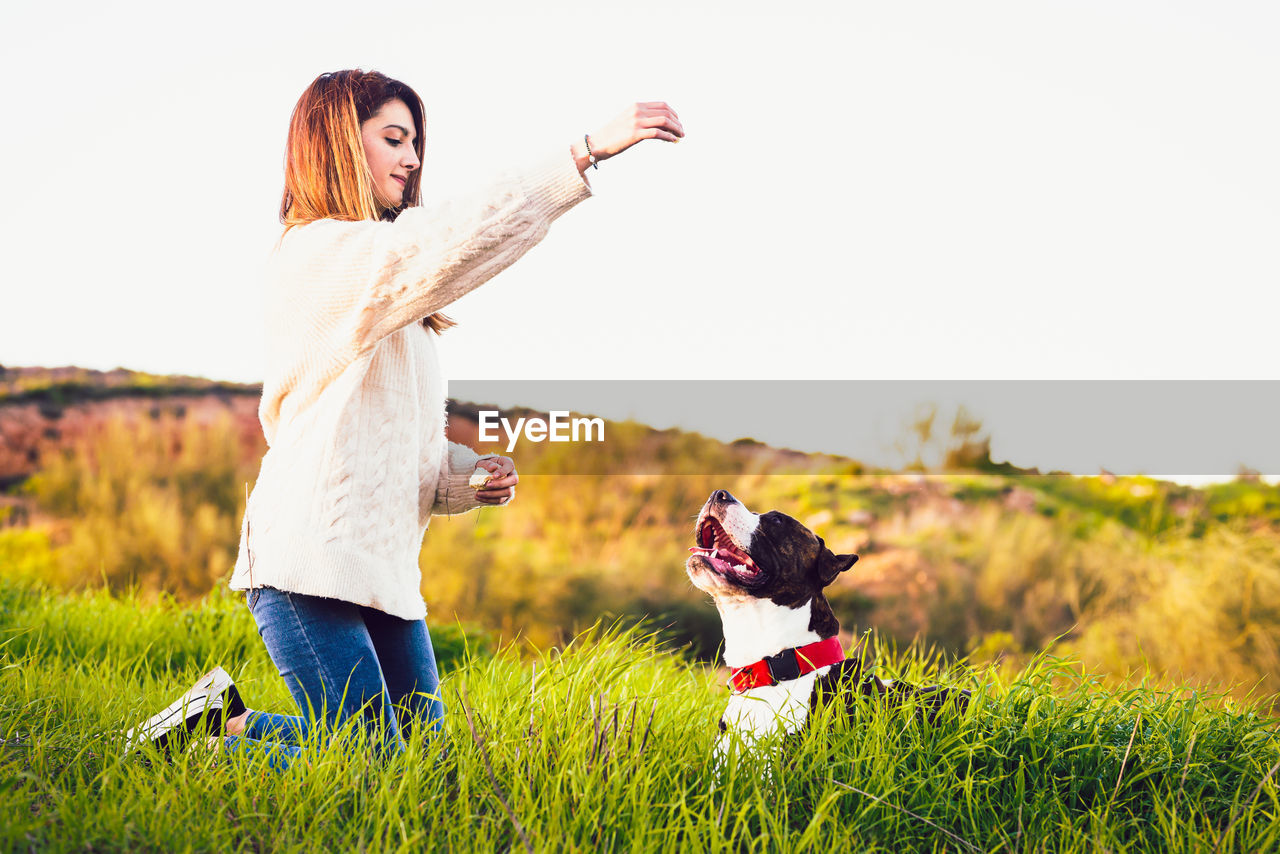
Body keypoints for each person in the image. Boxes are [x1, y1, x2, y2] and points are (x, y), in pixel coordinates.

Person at [122, 69, 683, 771]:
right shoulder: (318, 256)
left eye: (415, 142)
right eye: (394, 138)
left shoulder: (405, 314)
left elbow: (400, 443)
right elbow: (439, 245)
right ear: (336, 143)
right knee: (370, 765)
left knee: (417, 763)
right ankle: (193, 750)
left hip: (385, 570)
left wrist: (466, 477)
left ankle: (215, 725)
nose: (412, 159)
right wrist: (580, 153)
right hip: (310, 563)